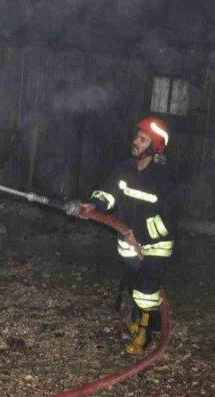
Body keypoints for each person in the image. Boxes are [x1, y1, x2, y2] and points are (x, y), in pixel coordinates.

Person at [75, 117, 176, 354]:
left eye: (142, 139)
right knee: (133, 286)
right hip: (127, 242)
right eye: (136, 137)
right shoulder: (125, 169)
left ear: (155, 147)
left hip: (155, 246)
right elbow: (109, 193)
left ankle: (146, 334)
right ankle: (140, 319)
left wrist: (140, 236)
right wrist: (94, 205)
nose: (135, 142)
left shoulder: (164, 177)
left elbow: (169, 218)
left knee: (146, 291)